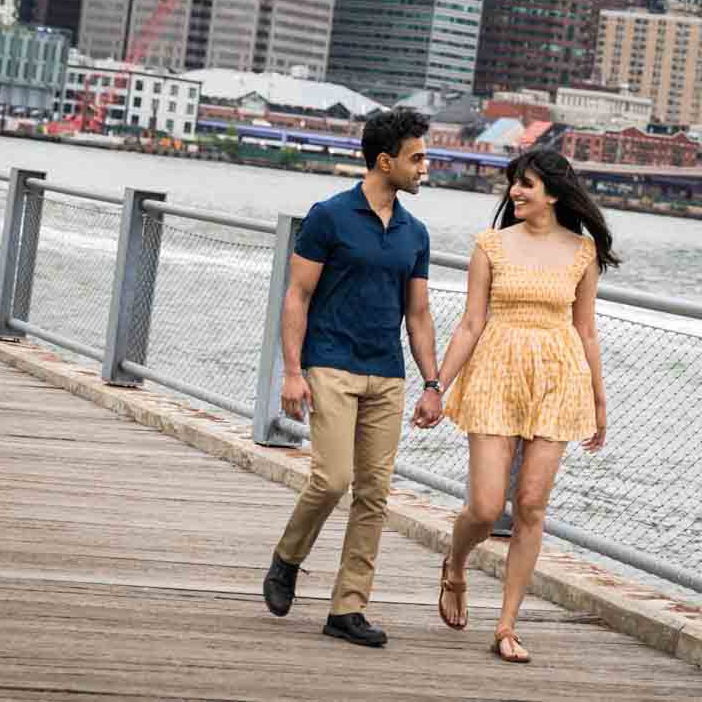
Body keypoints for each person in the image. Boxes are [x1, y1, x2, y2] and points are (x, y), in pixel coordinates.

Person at [421, 147, 614, 664]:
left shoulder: (583, 252)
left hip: (557, 378)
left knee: (530, 505)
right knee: (486, 508)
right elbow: (470, 323)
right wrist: (436, 386)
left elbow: (586, 330)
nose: (515, 192)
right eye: (513, 183)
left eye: (525, 184)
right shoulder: (490, 245)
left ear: (552, 192)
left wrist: (598, 401)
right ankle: (455, 564)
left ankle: (506, 625)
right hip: (494, 375)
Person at [261, 107, 444, 648]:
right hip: (331, 364)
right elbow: (298, 295)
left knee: (374, 493)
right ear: (384, 161)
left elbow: (419, 314)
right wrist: (292, 372)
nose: (425, 167)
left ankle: (348, 607)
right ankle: (288, 558)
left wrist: (433, 384)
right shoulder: (330, 216)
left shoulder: (416, 232)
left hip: (386, 373)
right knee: (333, 479)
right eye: (417, 158)